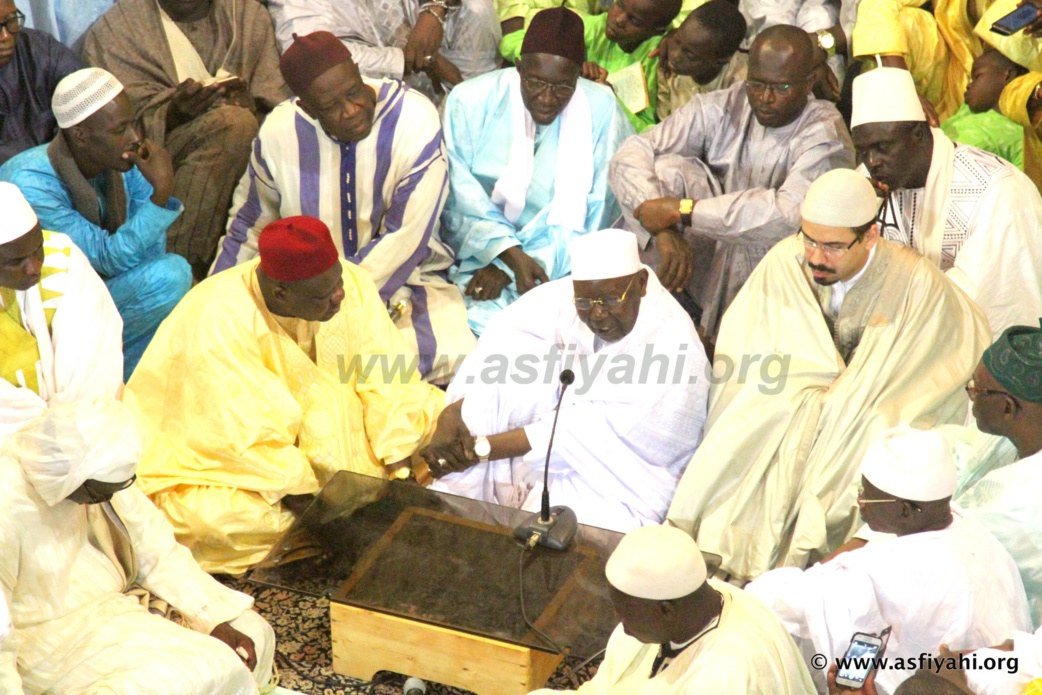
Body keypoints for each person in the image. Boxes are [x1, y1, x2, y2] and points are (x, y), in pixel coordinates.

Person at [666, 169, 992, 581]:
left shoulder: (915, 283)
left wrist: (842, 399)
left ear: (870, 236)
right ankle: (725, 563)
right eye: (810, 240)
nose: (817, 257)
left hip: (869, 408)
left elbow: (940, 363)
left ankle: (813, 577)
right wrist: (811, 393)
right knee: (754, 416)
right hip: (785, 406)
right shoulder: (787, 259)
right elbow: (751, 351)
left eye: (834, 246)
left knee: (871, 431)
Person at [126, 217, 445, 575]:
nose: (340, 295)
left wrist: (399, 467)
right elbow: (248, 443)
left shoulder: (349, 282)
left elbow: (387, 375)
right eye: (325, 296)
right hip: (234, 460)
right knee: (208, 521)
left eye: (337, 282)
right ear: (281, 294)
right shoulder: (218, 318)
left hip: (344, 435)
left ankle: (334, 522)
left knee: (437, 417)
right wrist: (323, 519)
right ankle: (317, 532)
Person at [211, 31, 474, 382]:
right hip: (301, 295)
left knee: (447, 355)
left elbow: (405, 237)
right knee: (233, 356)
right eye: (332, 107)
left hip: (405, 284)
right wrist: (216, 299)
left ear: (357, 71)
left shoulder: (415, 119)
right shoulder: (279, 131)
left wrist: (333, 305)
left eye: (354, 93)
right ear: (305, 106)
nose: (351, 111)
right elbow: (250, 226)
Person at [422, 229, 709, 532]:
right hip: (555, 443)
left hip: (622, 482)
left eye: (610, 300)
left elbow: (573, 434)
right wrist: (456, 413)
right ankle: (455, 515)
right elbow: (512, 332)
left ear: (641, 285)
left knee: (550, 531)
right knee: (497, 383)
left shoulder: (672, 350)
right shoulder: (587, 296)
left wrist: (475, 451)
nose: (597, 314)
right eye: (585, 302)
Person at [0, 399, 276, 694]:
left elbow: (156, 547)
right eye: (99, 493)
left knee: (253, 632)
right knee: (180, 677)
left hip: (118, 605)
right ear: (71, 479)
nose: (106, 500)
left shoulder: (93, 468)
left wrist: (210, 616)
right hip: (44, 642)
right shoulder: (9, 502)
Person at [610, 24, 853, 343]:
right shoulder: (723, 104)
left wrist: (684, 212)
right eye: (757, 84)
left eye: (781, 89)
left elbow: (787, 215)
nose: (765, 99)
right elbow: (632, 151)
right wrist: (663, 230)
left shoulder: (825, 131)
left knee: (749, 228)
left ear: (808, 83)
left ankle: (715, 338)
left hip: (779, 263)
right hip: (705, 248)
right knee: (667, 170)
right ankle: (639, 321)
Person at [747, 426, 1032, 695]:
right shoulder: (971, 531)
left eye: (867, 498)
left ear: (906, 511)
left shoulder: (883, 570)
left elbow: (778, 600)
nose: (859, 503)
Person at [440, 7, 633, 335]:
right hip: (477, 252)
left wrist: (528, 261)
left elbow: (597, 212)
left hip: (560, 262)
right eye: (535, 82)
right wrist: (506, 255)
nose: (547, 99)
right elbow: (458, 195)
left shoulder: (602, 110)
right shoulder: (470, 101)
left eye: (563, 88)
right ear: (518, 68)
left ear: (579, 77)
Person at [0, 68, 190, 379]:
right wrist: (161, 195)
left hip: (97, 291)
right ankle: (111, 383)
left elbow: (149, 253)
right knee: (170, 277)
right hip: (36, 304)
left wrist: (155, 194)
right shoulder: (32, 182)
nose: (134, 138)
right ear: (80, 136)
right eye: (120, 130)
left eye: (133, 123)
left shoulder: (127, 161)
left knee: (168, 283)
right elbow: (105, 259)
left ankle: (128, 381)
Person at [82, 0, 291, 280]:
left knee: (245, 125)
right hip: (152, 160)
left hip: (252, 147)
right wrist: (172, 115)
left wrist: (252, 105)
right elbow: (109, 134)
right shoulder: (117, 30)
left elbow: (279, 104)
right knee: (233, 126)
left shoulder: (246, 15)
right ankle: (180, 266)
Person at [853, 66, 1042, 336]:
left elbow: (985, 302)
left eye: (883, 148)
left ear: (919, 133)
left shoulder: (996, 192)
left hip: (974, 352)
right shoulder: (867, 182)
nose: (872, 162)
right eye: (863, 151)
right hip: (894, 336)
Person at [530, 525, 816, 693]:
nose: (618, 620)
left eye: (624, 611)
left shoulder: (725, 674)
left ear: (666, 610)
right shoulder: (701, 596)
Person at [0, 181, 122, 445]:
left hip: (78, 434)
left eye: (37, 250)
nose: (35, 267)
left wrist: (69, 437)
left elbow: (95, 365)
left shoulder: (63, 260)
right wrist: (43, 436)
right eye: (15, 261)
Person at [956, 323, 1042, 624]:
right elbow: (959, 451)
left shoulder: (1015, 501)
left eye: (976, 390)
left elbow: (944, 554)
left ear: (1007, 408)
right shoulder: (1016, 438)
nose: (970, 395)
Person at [502, 0, 682, 132]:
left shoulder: (659, 61)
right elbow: (510, 42)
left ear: (659, 30)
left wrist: (611, 99)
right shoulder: (594, 28)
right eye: (619, 5)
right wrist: (569, 64)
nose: (619, 19)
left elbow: (651, 133)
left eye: (634, 21)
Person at [266, 0, 501, 99]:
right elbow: (308, 56)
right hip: (369, 101)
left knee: (475, 7)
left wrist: (435, 9)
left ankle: (481, 114)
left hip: (449, 83)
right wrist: (410, 60)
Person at [0, 0, 82, 165]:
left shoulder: (43, 51)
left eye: (11, 20)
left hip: (62, 174)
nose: (6, 36)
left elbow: (88, 103)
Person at [654, 0, 748, 120]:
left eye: (690, 56)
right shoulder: (669, 63)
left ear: (720, 62)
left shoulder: (740, 88)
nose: (675, 56)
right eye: (677, 41)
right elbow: (663, 122)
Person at [942, 49, 1026, 170]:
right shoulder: (966, 110)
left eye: (977, 76)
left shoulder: (1016, 133)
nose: (969, 84)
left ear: (1008, 75)